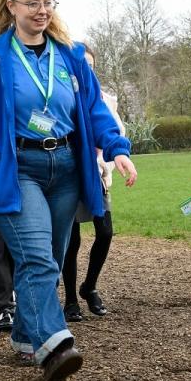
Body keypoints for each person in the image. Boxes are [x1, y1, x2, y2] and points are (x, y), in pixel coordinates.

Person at [0, 0, 137, 381]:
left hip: (67, 167)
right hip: (18, 170)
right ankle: (55, 345)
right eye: (31, 2)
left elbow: (93, 109)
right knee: (35, 257)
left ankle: (23, 334)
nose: (41, 10)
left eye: (47, 2)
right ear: (12, 7)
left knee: (48, 261)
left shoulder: (69, 54)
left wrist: (117, 149)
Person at [60, 43, 126, 321]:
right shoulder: (65, 95)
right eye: (81, 64)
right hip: (70, 171)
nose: (85, 68)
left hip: (98, 173)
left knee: (105, 231)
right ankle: (71, 299)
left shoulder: (106, 100)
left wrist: (109, 165)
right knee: (71, 240)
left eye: (90, 64)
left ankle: (90, 286)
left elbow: (116, 132)